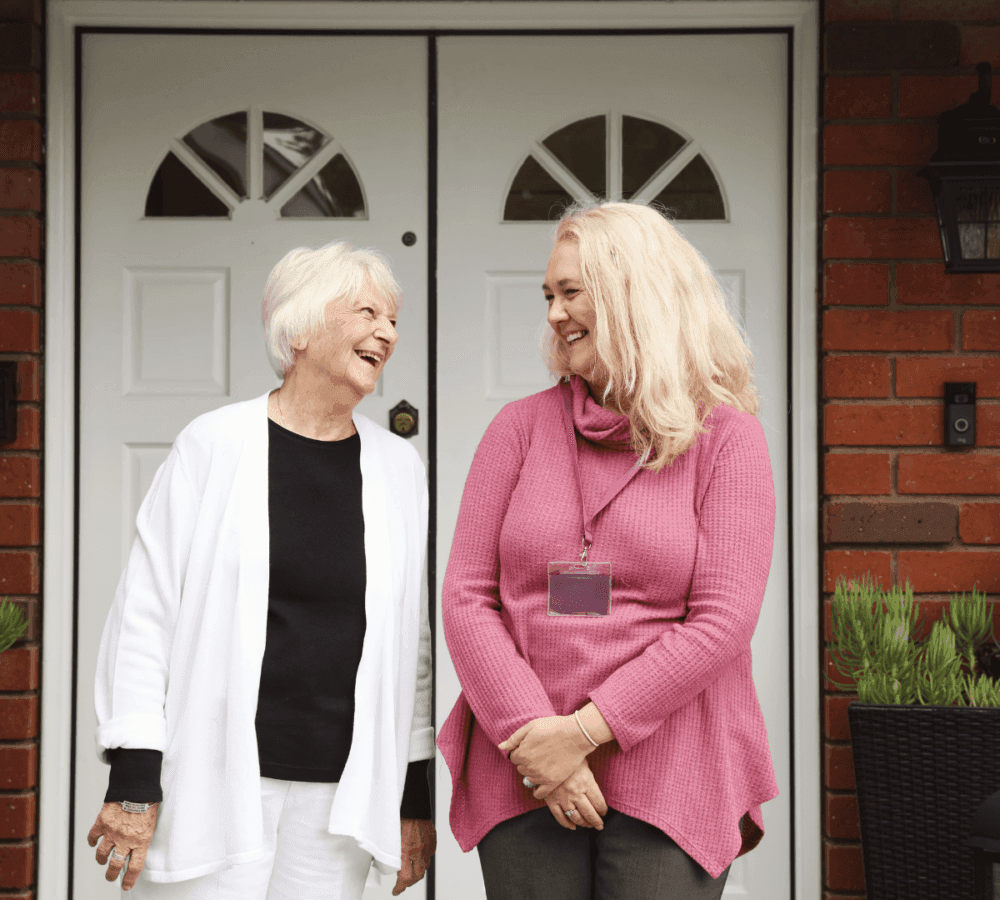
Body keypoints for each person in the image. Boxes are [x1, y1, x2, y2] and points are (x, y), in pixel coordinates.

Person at [437, 201, 778, 900]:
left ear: (635, 294)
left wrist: (584, 733)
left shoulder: (728, 440)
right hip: (522, 755)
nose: (556, 314)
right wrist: (541, 742)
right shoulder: (518, 428)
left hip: (672, 760)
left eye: (571, 292)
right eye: (549, 297)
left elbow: (723, 620)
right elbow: (467, 596)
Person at [88, 241, 436, 899]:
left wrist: (410, 795)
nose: (387, 332)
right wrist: (135, 776)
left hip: (343, 799)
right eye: (367, 312)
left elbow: (409, 651)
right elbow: (145, 614)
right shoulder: (212, 445)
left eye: (393, 319)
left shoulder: (398, 468)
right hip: (217, 784)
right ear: (299, 328)